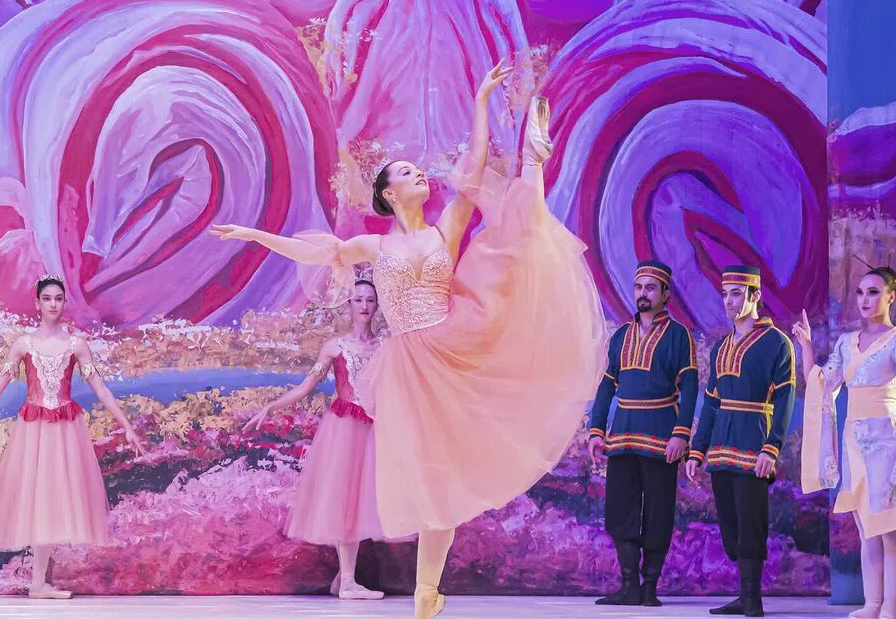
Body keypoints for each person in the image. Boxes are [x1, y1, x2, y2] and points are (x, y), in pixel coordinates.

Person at [211, 61, 608, 619]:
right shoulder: (375, 248)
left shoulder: (446, 229)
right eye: (406, 172)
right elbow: (319, 252)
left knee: (516, 235)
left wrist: (480, 102)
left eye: (418, 171)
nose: (418, 174)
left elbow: (473, 170)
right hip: (407, 366)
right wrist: (254, 234)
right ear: (388, 192)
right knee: (430, 480)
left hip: (455, 344)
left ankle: (533, 164)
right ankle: (426, 593)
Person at [0, 275, 146, 599]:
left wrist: (126, 425)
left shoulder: (76, 344)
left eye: (58, 298)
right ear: (37, 303)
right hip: (34, 430)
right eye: (47, 298)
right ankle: (38, 584)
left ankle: (41, 582)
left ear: (64, 302)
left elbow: (100, 388)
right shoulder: (23, 344)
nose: (53, 304)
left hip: (65, 430)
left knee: (56, 497)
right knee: (39, 496)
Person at [796, 267, 896, 619]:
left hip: (887, 441)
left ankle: (889, 607)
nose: (864, 299)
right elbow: (822, 384)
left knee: (891, 528)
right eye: (860, 292)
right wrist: (806, 345)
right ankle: (872, 604)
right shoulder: (846, 343)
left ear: (891, 296)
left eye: (873, 292)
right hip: (854, 445)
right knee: (866, 529)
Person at [244, 280, 394, 600]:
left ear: (377, 305)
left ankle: (344, 579)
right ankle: (349, 582)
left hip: (375, 428)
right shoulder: (334, 347)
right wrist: (271, 406)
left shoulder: (386, 345)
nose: (364, 305)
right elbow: (305, 386)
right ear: (349, 305)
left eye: (370, 300)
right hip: (345, 430)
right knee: (346, 500)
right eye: (358, 299)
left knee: (365, 501)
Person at [685, 266, 795, 618]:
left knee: (751, 521)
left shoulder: (777, 343)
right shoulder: (720, 347)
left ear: (755, 296)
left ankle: (752, 598)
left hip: (754, 442)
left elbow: (785, 398)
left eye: (736, 294)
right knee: (731, 525)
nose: (729, 301)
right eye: (725, 294)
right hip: (720, 446)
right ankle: (743, 594)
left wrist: (772, 447)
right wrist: (697, 451)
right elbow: (711, 403)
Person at [587, 260, 697, 607]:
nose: (643, 294)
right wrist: (596, 430)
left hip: (662, 436)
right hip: (622, 435)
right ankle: (629, 586)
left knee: (658, 512)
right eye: (639, 287)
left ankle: (650, 587)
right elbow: (607, 385)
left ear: (665, 293)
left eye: (650, 288)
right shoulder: (621, 335)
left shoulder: (678, 335)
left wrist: (681, 434)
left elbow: (690, 386)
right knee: (620, 510)